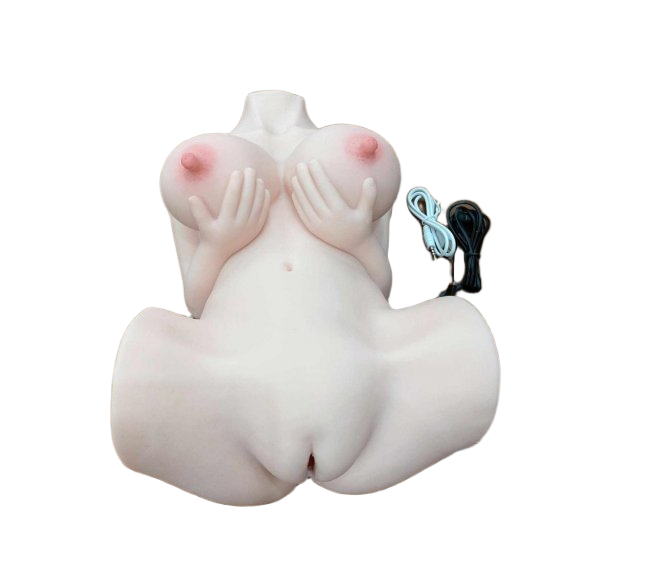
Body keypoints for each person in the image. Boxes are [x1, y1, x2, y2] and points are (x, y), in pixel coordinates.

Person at [111, 90, 500, 506]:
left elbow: (379, 285)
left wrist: (355, 239)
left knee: (457, 338)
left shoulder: (348, 159)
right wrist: (219, 245)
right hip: (227, 374)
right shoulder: (202, 174)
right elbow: (199, 299)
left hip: (374, 364)